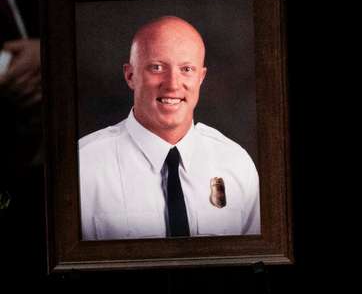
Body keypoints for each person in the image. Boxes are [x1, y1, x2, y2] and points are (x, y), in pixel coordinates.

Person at [78, 15, 260, 240]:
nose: (173, 84)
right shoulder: (83, 166)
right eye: (156, 67)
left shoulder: (236, 163)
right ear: (130, 75)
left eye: (186, 69)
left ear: (201, 77)